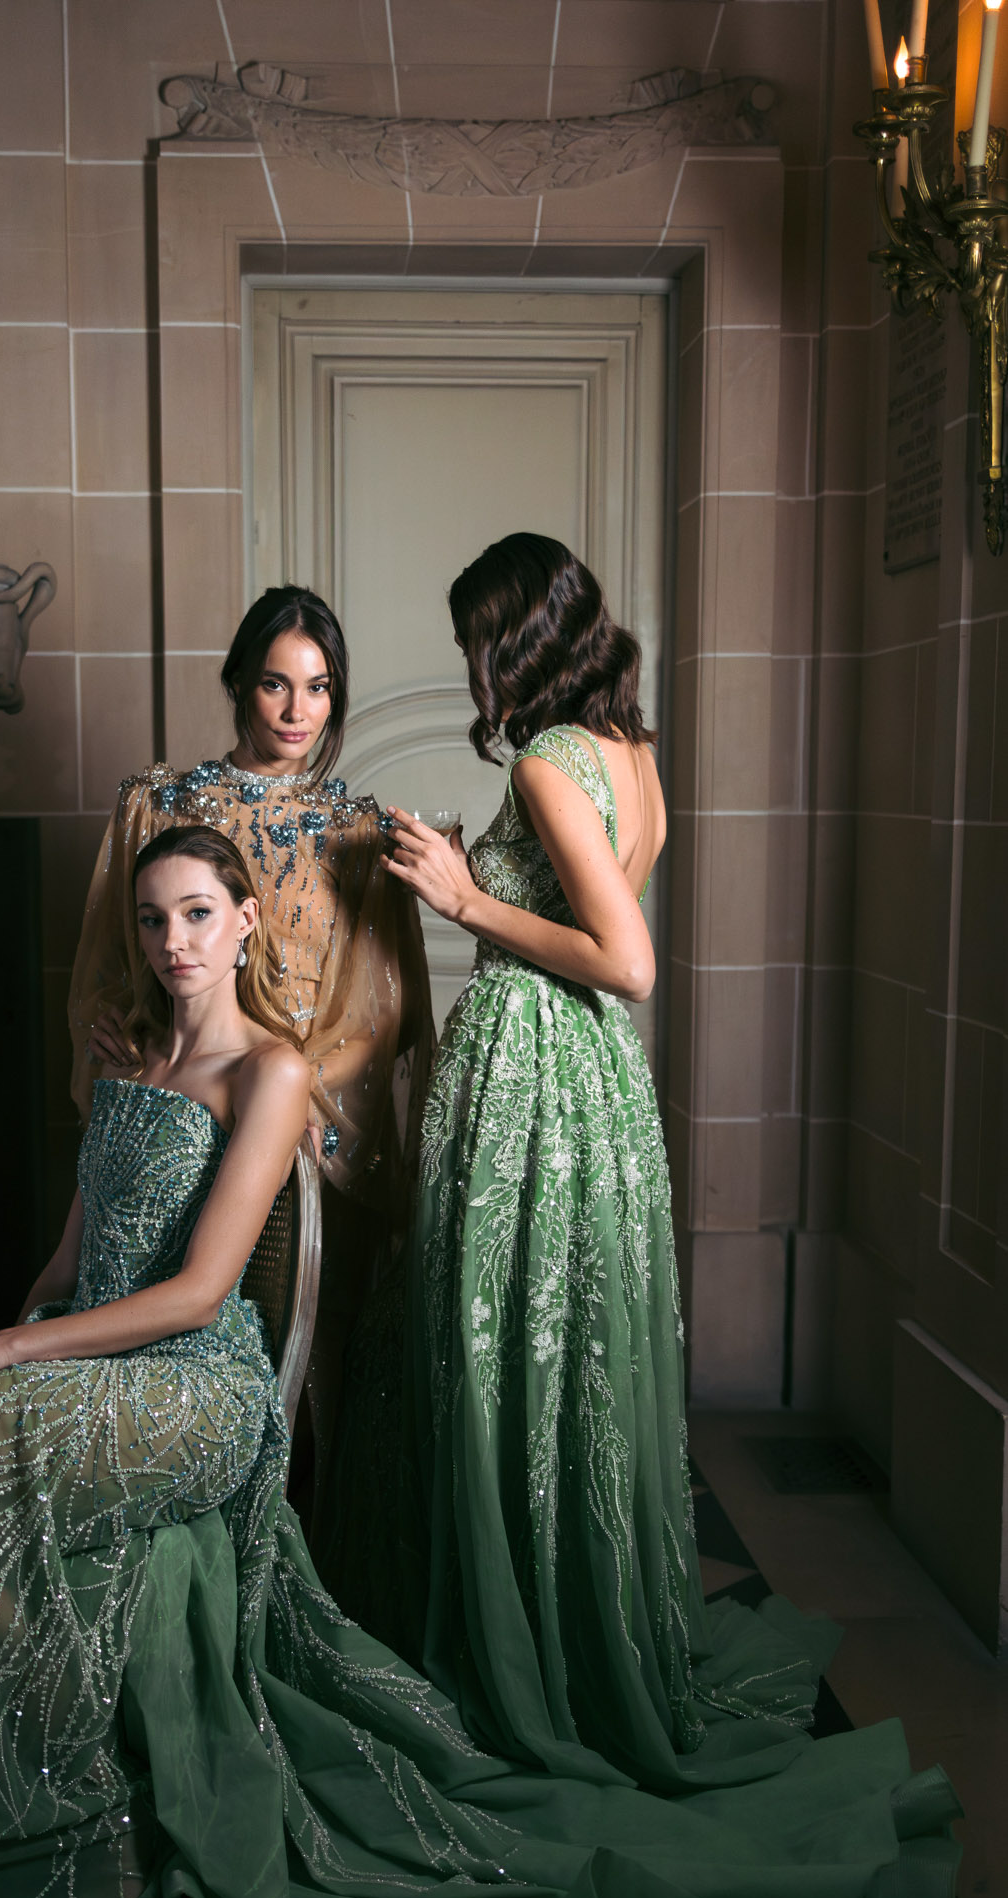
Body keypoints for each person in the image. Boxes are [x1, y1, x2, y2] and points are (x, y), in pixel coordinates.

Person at [0, 823, 958, 1898]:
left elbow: (198, 1293)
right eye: (153, 918)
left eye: (198, 914)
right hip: (87, 1350)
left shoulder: (272, 1069)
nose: (175, 940)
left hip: (190, 1384)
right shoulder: (124, 1058)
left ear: (246, 922)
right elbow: (68, 1264)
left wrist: (4, 1354)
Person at [318, 533, 926, 1796]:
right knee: (563, 1346)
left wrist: (463, 898)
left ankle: (513, 1640)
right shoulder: (634, 750)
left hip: (540, 1061)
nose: (468, 669)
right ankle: (561, 1605)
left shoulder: (547, 758)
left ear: (516, 642)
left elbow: (627, 957)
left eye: (475, 644)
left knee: (499, 1344)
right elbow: (602, 899)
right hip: (599, 1078)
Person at [68, 585, 432, 1511]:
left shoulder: (360, 833)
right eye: (275, 685)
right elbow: (115, 964)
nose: (298, 711)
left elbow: (379, 1016)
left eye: (318, 688)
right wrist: (122, 1040)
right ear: (239, 685)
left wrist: (295, 1101)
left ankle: (294, 1554)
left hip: (309, 1127)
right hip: (178, 1111)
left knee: (312, 1348)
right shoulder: (155, 805)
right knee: (140, 1303)